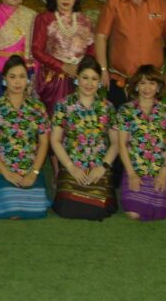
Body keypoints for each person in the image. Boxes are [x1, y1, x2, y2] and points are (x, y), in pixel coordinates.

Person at [95, 0, 166, 109]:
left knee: (151, 121)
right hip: (120, 78)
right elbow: (101, 36)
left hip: (152, 81)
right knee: (119, 120)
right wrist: (103, 69)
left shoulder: (162, 5)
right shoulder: (113, 4)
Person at [0, 55, 51, 219]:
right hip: (2, 171)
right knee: (11, 212)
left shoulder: (37, 107)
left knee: (36, 212)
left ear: (27, 80)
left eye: (21, 76)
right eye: (12, 77)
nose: (17, 82)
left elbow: (44, 142)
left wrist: (33, 172)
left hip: (29, 170)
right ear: (4, 79)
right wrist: (6, 172)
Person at [50, 56, 119, 220]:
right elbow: (55, 140)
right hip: (72, 166)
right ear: (77, 78)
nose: (89, 83)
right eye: (85, 78)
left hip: (98, 167)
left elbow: (116, 143)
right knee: (67, 209)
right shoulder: (64, 105)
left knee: (100, 210)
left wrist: (103, 167)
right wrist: (71, 167)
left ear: (100, 81)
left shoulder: (107, 107)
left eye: (94, 79)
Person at [117, 65, 166, 221]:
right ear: (136, 86)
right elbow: (122, 145)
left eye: (152, 83)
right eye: (142, 83)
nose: (147, 88)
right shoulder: (126, 111)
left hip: (160, 170)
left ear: (158, 87)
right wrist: (131, 174)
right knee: (132, 212)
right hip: (135, 169)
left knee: (159, 212)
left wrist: (164, 173)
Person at [32, 0, 95, 115]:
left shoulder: (85, 20)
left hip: (80, 77)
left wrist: (82, 68)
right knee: (56, 116)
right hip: (53, 78)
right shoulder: (44, 18)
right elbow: (36, 50)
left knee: (78, 117)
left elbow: (91, 49)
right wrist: (62, 66)